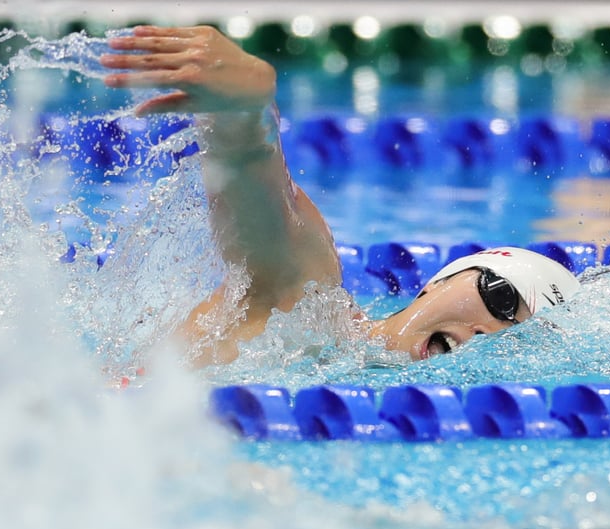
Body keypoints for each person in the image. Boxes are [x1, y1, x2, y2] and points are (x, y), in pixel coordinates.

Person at [99, 25, 580, 366]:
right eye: (500, 299)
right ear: (439, 281)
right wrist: (246, 112)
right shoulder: (307, 305)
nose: (488, 336)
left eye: (517, 342)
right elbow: (261, 205)